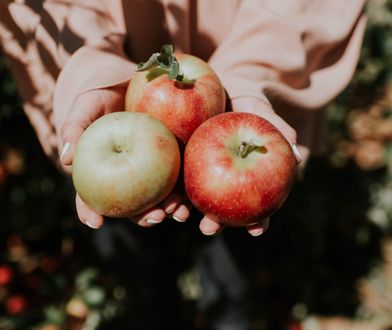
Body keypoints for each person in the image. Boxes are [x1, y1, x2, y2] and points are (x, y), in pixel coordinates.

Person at [0, 0, 367, 328]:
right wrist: (91, 66)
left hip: (245, 106)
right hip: (110, 119)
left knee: (233, 279)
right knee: (140, 276)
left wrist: (252, 71)